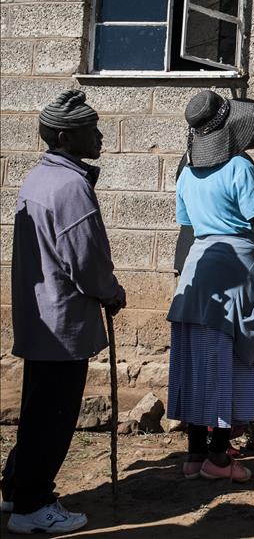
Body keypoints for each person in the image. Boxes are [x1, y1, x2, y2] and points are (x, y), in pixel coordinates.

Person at [2, 90, 126, 534]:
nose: (99, 137)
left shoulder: (38, 178)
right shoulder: (71, 186)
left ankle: (17, 488)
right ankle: (32, 508)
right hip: (61, 322)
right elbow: (87, 261)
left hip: (40, 318)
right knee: (53, 418)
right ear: (63, 136)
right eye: (90, 131)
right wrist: (111, 293)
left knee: (38, 410)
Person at [165, 90, 254, 483]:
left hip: (197, 273)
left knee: (199, 363)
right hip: (236, 271)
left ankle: (195, 455)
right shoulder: (239, 169)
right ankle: (219, 459)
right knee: (230, 364)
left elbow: (189, 227)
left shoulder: (185, 172)